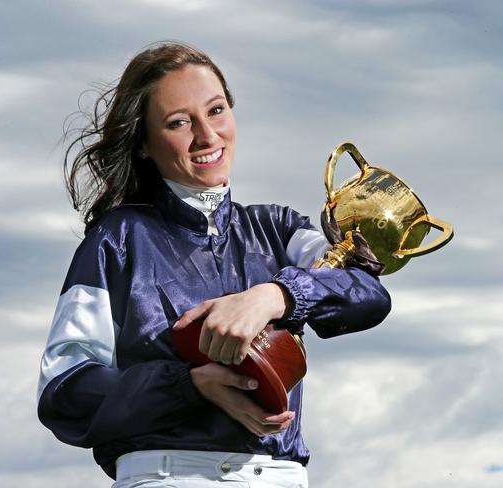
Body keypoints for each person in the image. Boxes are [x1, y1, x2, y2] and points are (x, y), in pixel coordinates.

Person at [37, 41, 391, 488]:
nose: (207, 136)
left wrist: (276, 295)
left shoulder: (278, 229)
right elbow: (64, 393)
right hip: (164, 477)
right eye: (179, 122)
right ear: (144, 143)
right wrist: (191, 384)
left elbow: (368, 293)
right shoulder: (117, 238)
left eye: (217, 110)